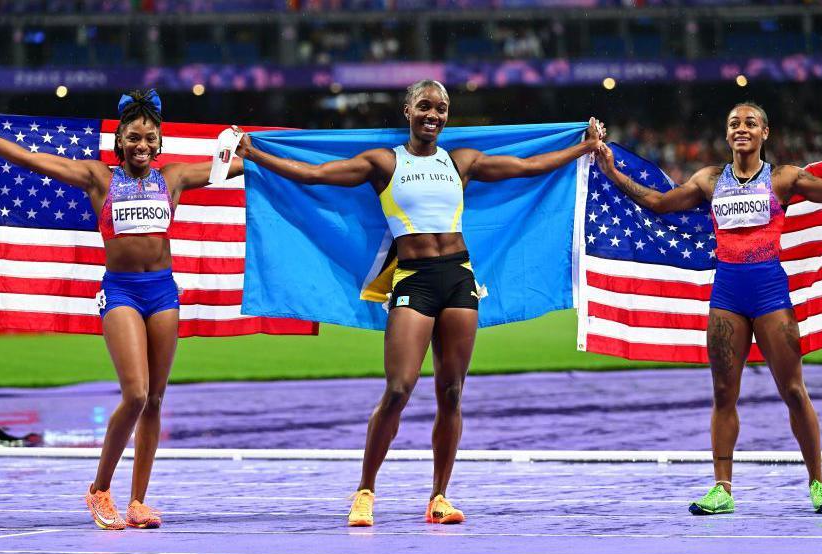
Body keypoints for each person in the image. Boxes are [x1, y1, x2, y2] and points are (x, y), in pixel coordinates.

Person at [237, 79, 606, 526]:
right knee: (398, 388)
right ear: (408, 111)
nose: (434, 115)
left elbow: (527, 166)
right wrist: (254, 155)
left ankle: (439, 497)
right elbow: (315, 176)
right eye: (425, 106)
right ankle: (365, 491)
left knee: (451, 392)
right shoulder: (385, 161)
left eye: (442, 108)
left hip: (459, 277)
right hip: (414, 279)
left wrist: (582, 148)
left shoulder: (461, 160)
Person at [0, 90, 248, 530]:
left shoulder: (174, 177)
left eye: (150, 138)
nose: (143, 145)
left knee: (156, 400)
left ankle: (138, 502)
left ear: (159, 143)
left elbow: (237, 166)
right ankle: (100, 489)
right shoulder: (97, 178)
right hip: (121, 292)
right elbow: (28, 158)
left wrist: (251, 149)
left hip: (163, 293)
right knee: (136, 394)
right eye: (135, 137)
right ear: (120, 140)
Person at [594, 102, 822, 515]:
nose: (741, 128)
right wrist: (612, 171)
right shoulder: (708, 180)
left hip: (769, 295)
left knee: (793, 391)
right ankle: (722, 489)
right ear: (727, 136)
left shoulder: (784, 178)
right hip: (727, 296)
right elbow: (657, 201)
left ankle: (818, 483)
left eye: (750, 123)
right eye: (734, 124)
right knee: (724, 394)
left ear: (765, 133)